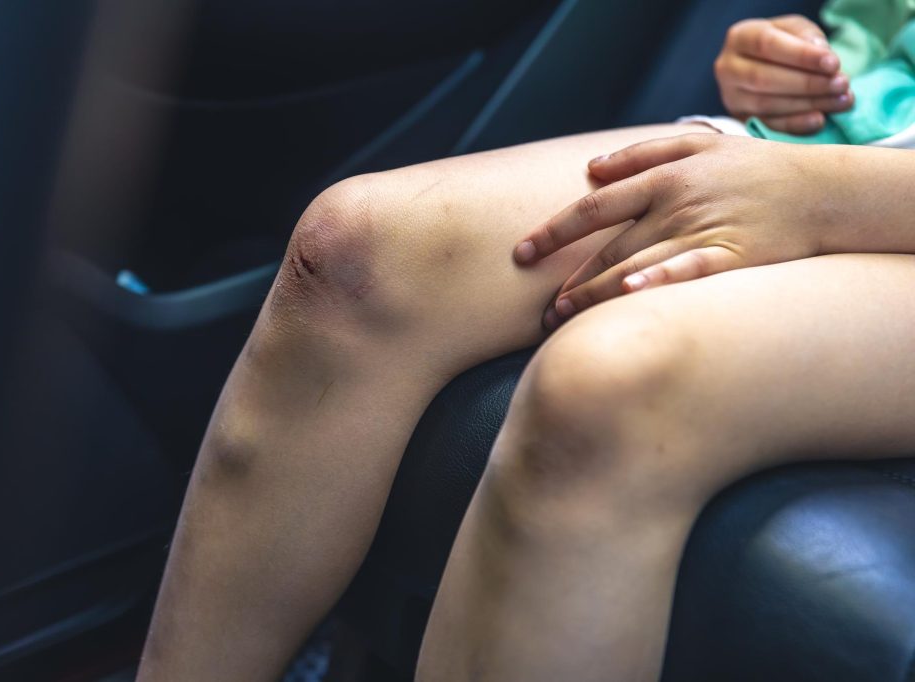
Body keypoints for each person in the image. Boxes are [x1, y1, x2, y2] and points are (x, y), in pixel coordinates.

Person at [137, 3, 915, 681]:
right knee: (353, 253)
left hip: (869, 190)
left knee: (607, 383)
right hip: (851, 140)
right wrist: (791, 58)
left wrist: (829, 200)